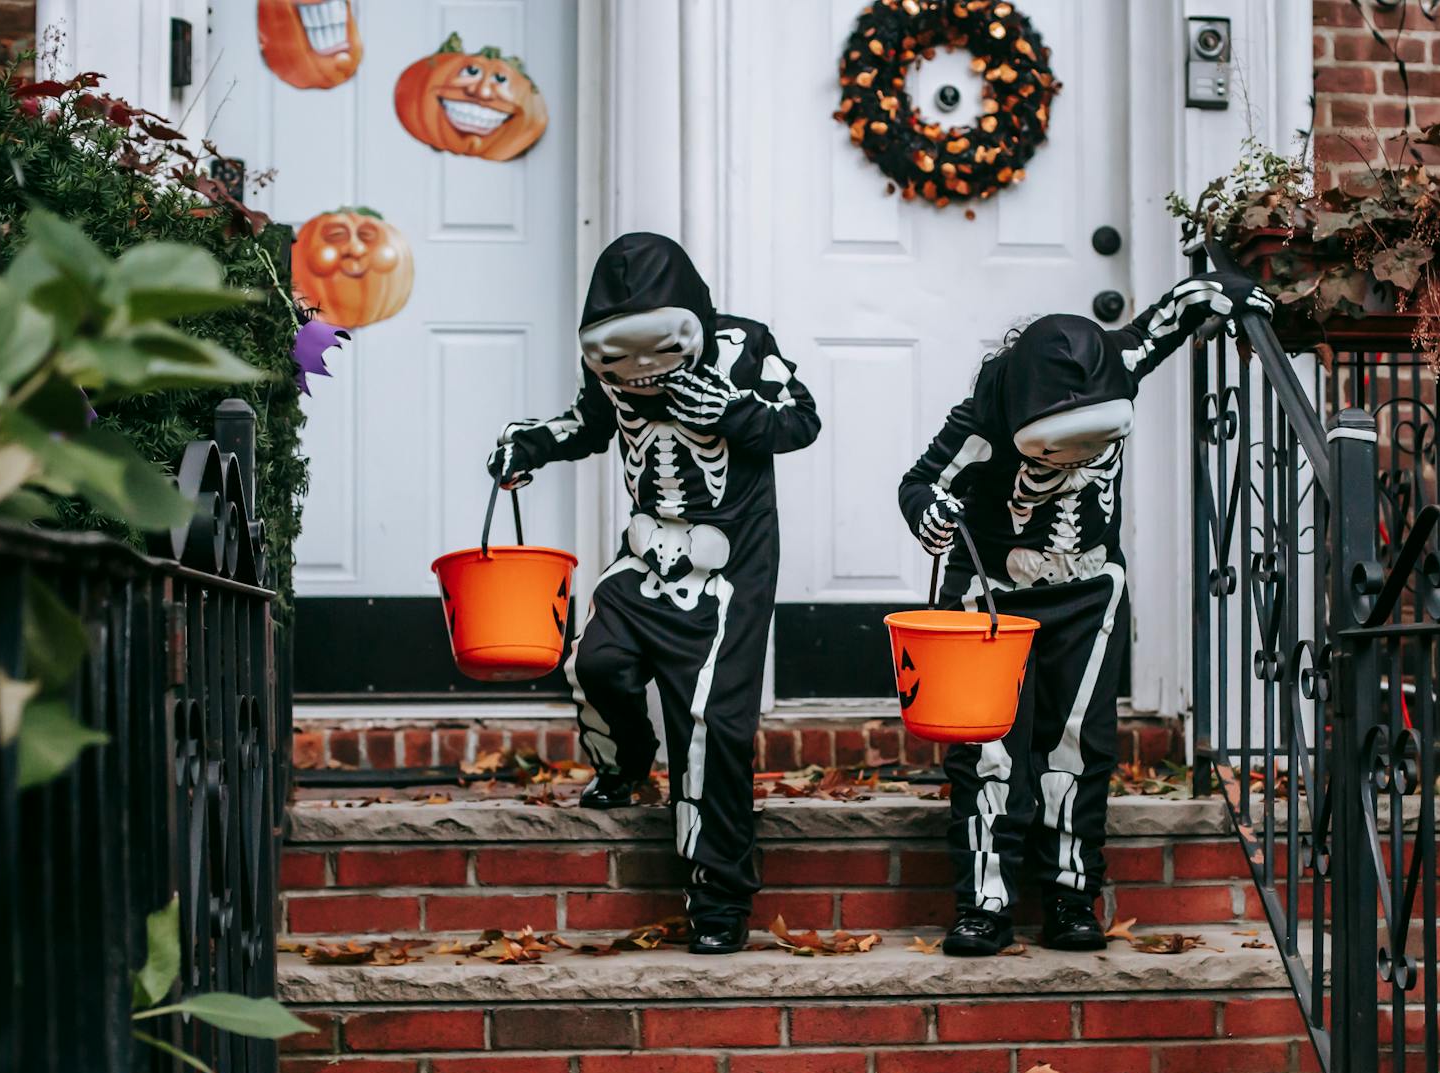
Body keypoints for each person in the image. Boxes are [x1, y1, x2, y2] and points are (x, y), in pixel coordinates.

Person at [896, 271, 1271, 956]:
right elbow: (923, 481)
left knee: (1079, 749)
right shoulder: (987, 411)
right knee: (990, 755)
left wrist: (1231, 289)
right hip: (995, 605)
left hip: (1089, 595)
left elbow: (1174, 313)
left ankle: (1072, 894)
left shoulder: (1119, 364)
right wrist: (932, 514)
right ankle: (985, 899)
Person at [488, 233, 821, 955]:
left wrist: (732, 414)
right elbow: (592, 423)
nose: (637, 374)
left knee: (712, 726)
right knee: (592, 662)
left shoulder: (744, 345)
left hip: (729, 563)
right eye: (618, 361)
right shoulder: (611, 369)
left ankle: (720, 894)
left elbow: (802, 421)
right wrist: (530, 443)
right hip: (647, 551)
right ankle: (627, 760)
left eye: (653, 356)